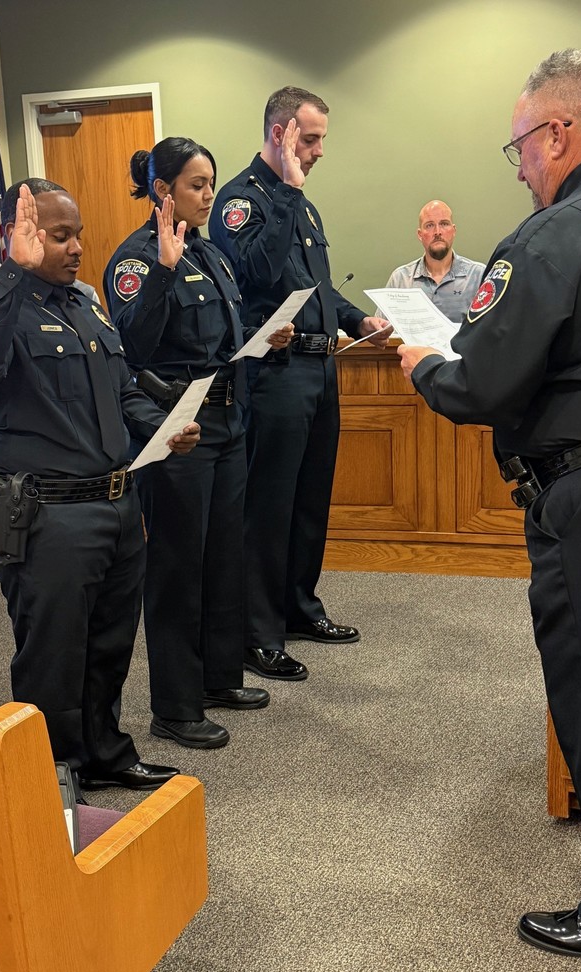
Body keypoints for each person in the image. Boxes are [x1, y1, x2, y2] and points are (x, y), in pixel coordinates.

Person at [399, 49, 581, 959]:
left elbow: (484, 384)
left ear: (557, 132)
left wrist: (424, 364)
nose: (521, 169)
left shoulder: (551, 236)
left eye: (518, 149)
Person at [0, 177, 201, 792]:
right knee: (53, 655)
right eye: (59, 236)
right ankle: (43, 779)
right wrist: (12, 274)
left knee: (109, 646)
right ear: (20, 236)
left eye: (78, 234)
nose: (76, 247)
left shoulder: (85, 305)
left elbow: (120, 393)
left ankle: (103, 755)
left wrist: (164, 429)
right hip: (47, 517)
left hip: (115, 506)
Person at [104, 139, 293, 750]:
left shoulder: (211, 253)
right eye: (195, 184)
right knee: (179, 565)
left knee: (222, 556)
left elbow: (218, 345)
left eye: (211, 183)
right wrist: (162, 270)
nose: (209, 195)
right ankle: (176, 705)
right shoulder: (136, 260)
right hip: (175, 427)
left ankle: (218, 678)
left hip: (227, 421)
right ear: (163, 191)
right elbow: (132, 346)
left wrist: (266, 339)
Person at [209, 86, 392, 682]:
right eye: (309, 139)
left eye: (320, 141)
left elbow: (313, 284)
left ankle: (296, 608)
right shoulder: (242, 200)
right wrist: (288, 189)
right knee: (268, 505)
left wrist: (355, 318)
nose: (317, 152)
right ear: (281, 133)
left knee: (310, 499)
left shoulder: (303, 207)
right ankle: (256, 633)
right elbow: (257, 271)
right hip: (274, 373)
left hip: (320, 367)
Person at [381, 200, 485, 323]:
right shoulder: (401, 280)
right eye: (429, 225)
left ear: (453, 230)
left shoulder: (478, 276)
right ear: (420, 235)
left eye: (444, 224)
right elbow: (382, 333)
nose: (437, 232)